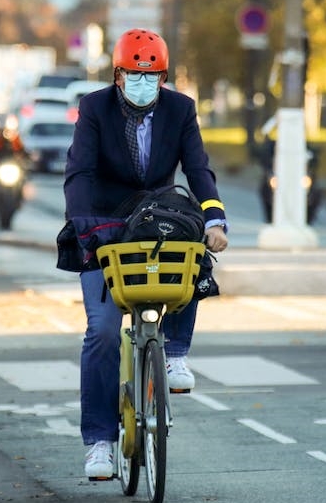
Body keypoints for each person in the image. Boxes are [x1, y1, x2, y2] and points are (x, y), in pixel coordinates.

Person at [63, 28, 229, 479]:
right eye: (133, 75)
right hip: (104, 227)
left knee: (192, 245)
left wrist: (214, 219)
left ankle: (174, 352)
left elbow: (197, 168)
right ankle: (99, 441)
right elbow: (79, 171)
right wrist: (81, 225)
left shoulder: (181, 109)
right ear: (117, 77)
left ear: (164, 77)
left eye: (151, 75)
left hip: (158, 220)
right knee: (100, 333)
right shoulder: (94, 108)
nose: (142, 83)